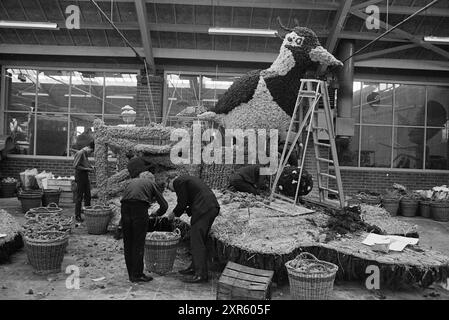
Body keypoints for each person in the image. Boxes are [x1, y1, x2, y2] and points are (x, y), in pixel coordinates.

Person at [165, 174, 220, 283]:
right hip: (210, 207)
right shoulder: (187, 180)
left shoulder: (178, 182)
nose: (171, 190)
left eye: (168, 187)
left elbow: (182, 202)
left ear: (170, 180)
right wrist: (187, 210)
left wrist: (174, 214)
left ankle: (201, 274)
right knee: (199, 240)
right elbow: (191, 199)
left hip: (203, 209)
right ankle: (194, 267)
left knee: (197, 242)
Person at [121, 171, 168, 283]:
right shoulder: (151, 183)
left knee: (128, 242)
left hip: (125, 208)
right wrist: (156, 214)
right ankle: (137, 274)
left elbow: (128, 198)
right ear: (152, 179)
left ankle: (131, 274)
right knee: (138, 242)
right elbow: (164, 205)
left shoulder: (131, 182)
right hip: (139, 208)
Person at [73, 141, 94, 222]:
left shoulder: (85, 154)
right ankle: (77, 215)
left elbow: (85, 164)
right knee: (79, 197)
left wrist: (91, 167)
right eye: (91, 151)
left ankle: (87, 213)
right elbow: (76, 166)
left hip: (85, 176)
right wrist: (87, 169)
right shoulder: (80, 153)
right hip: (80, 176)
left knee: (88, 195)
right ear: (89, 148)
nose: (91, 153)